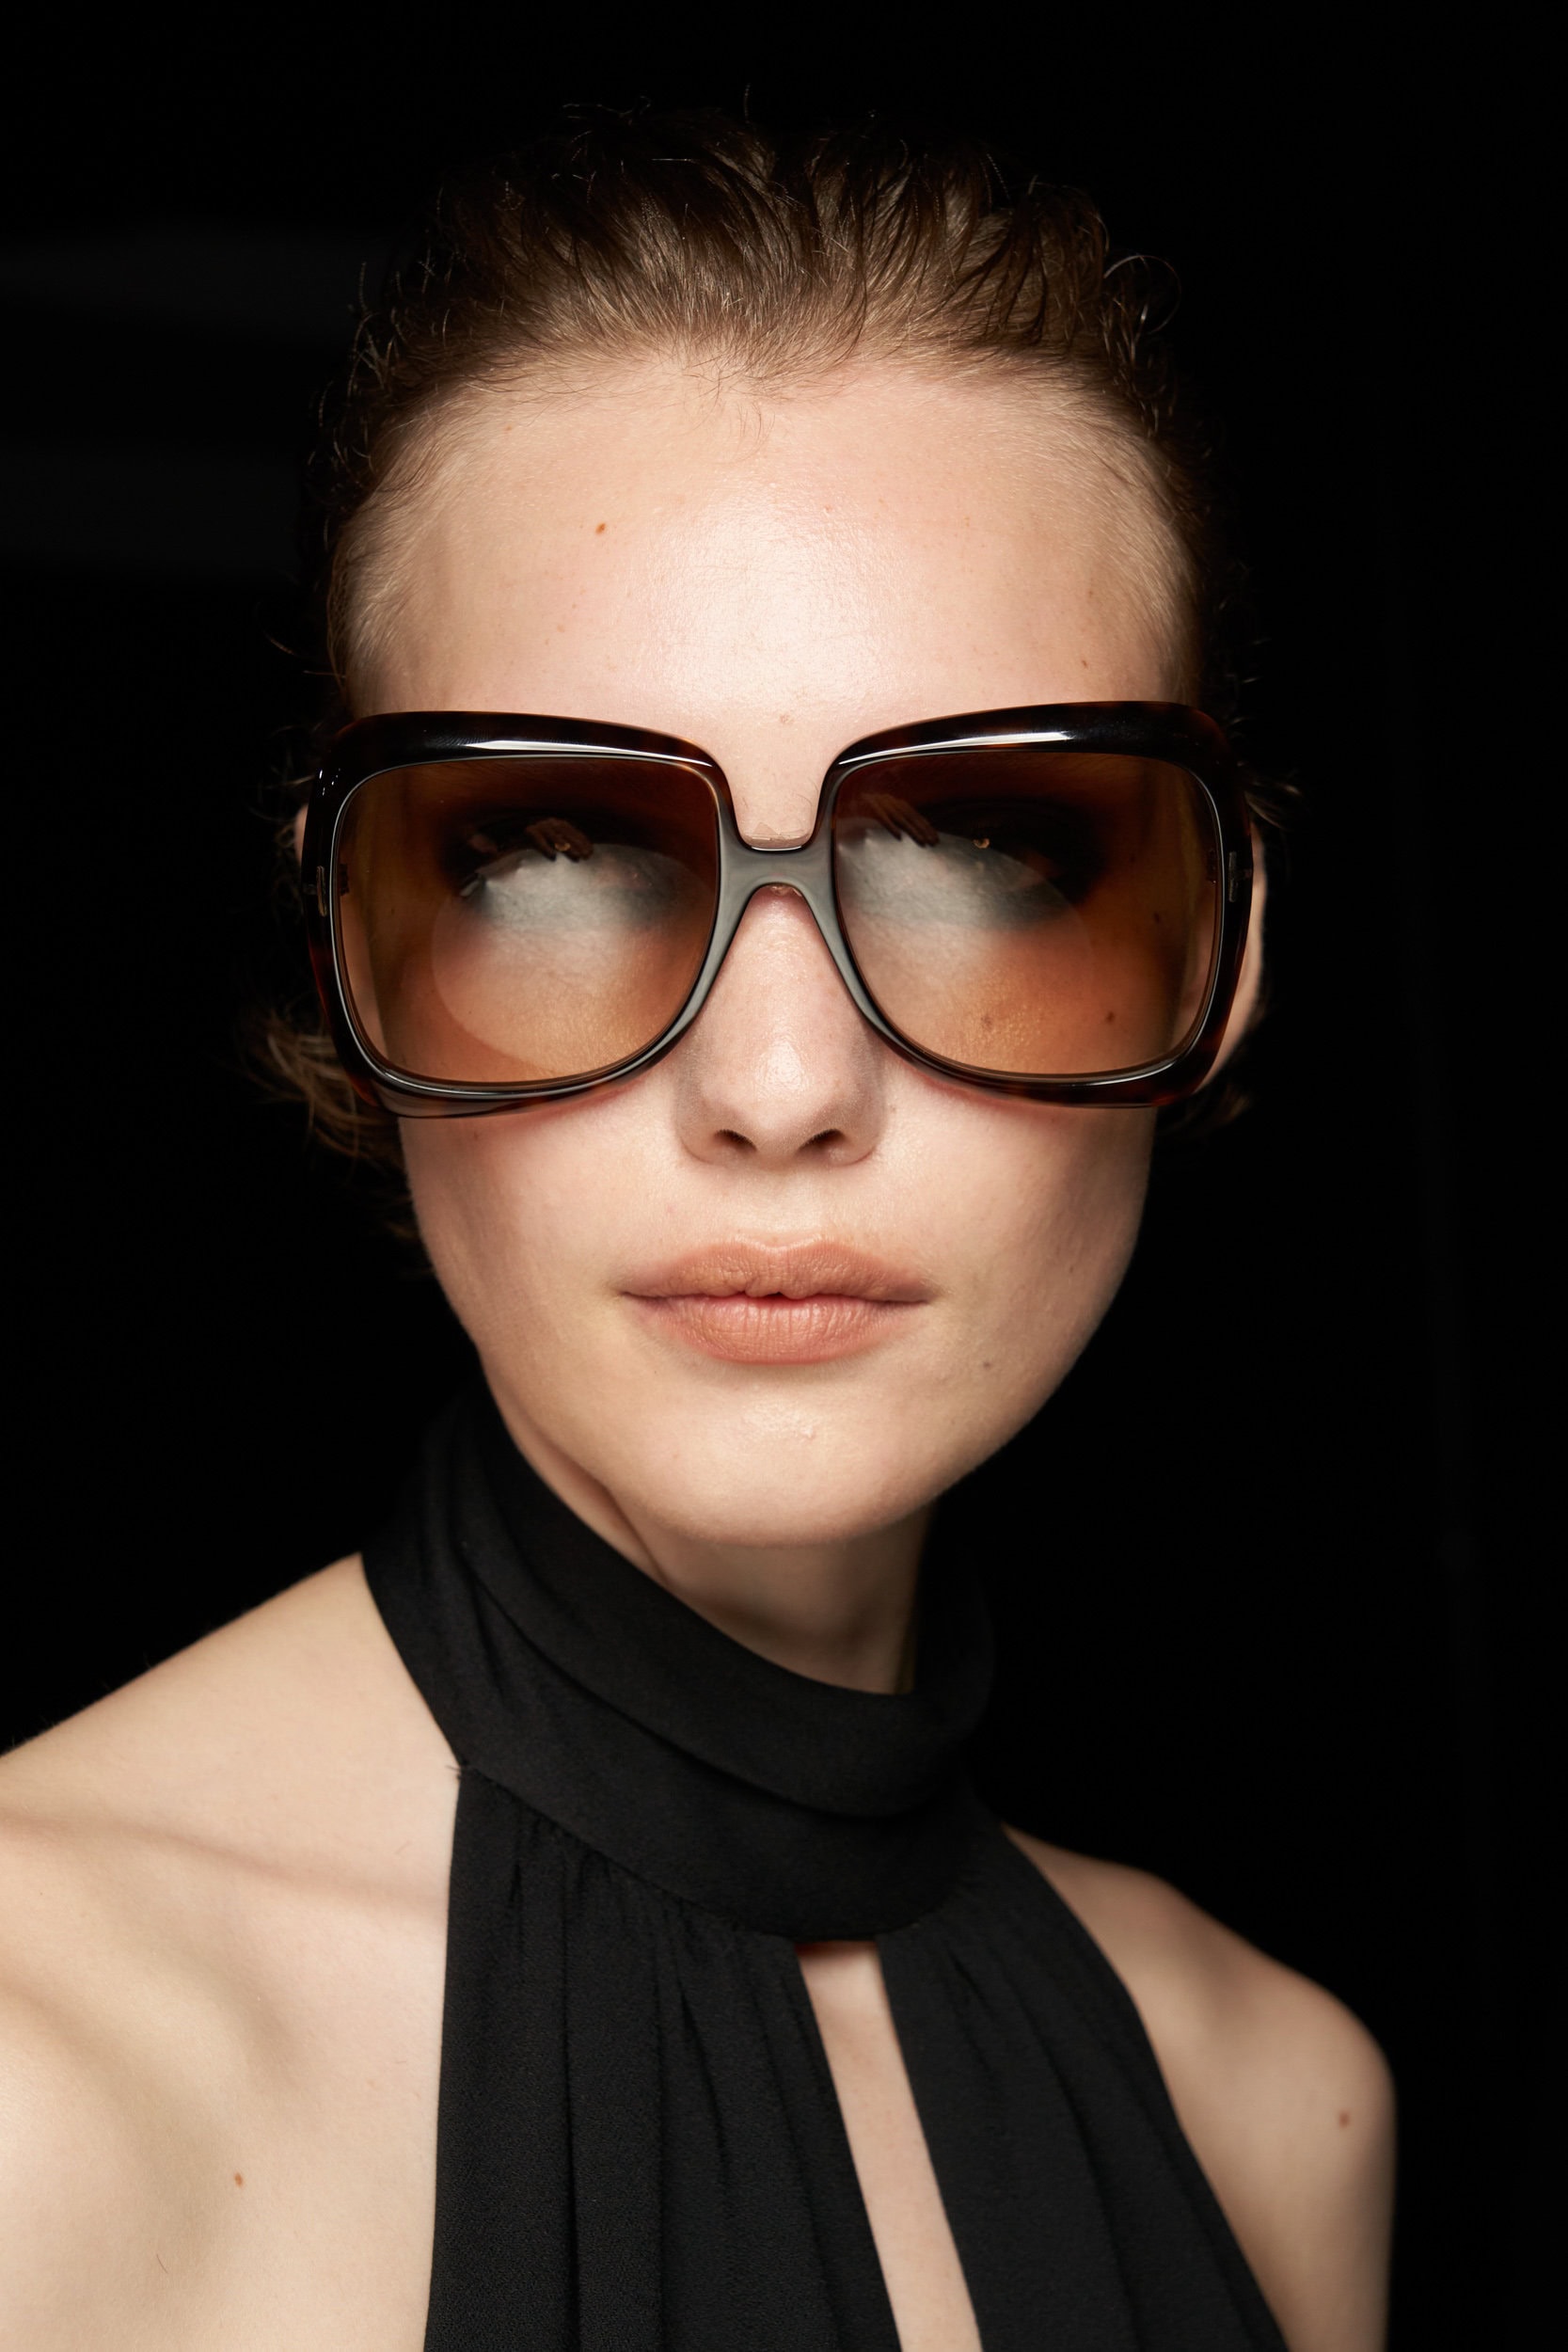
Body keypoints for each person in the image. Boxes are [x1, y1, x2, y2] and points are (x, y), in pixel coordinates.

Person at [0, 113, 1394, 2351]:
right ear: (353, 953)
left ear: (1219, 949)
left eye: (988, 845)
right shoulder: (38, 2073)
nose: (776, 1084)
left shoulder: (1281, 2110)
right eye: (551, 849)